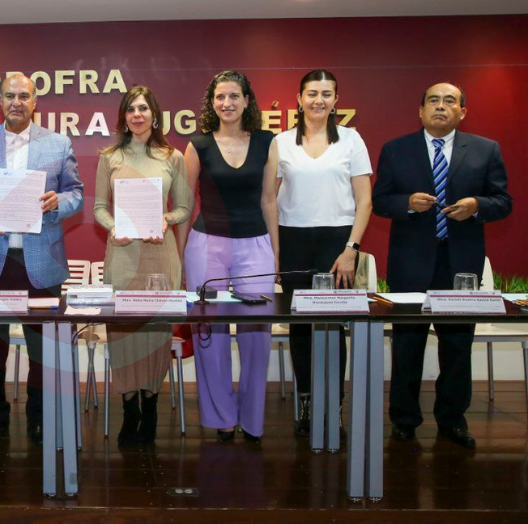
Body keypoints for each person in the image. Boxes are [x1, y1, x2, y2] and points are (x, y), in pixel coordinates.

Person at [372, 83, 511, 449]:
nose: (440, 106)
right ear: (420, 111)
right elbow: (380, 200)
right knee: (407, 345)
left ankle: (452, 420)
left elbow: (503, 201)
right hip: (410, 263)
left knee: (457, 345)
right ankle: (404, 420)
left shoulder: (485, 149)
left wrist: (477, 206)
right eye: (433, 100)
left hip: (460, 264)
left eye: (450, 101)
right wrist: (406, 203)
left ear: (462, 112)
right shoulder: (396, 149)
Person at [0, 74, 83, 446]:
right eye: (10, 96)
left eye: (24, 96)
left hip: (41, 261)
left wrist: (58, 202)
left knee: (42, 349)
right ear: (0, 101)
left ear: (35, 101)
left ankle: (38, 418)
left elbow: (77, 194)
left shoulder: (58, 143)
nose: (16, 102)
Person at [262, 70, 372, 438]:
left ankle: (334, 406)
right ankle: (307, 402)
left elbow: (364, 201)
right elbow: (269, 200)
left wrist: (351, 249)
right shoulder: (281, 142)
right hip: (293, 240)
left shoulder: (352, 140)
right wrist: (275, 250)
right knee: (301, 327)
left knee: (332, 326)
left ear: (336, 100)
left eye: (326, 94)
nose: (318, 100)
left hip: (337, 243)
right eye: (312, 93)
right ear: (299, 99)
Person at [176, 71, 275, 444]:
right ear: (212, 102)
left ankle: (252, 420)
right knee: (209, 334)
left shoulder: (267, 142)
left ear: (247, 101)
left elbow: (269, 201)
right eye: (220, 96)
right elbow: (185, 205)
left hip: (255, 245)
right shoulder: (198, 145)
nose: (227, 103)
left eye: (234, 96)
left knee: (257, 335)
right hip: (206, 245)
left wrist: (276, 254)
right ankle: (221, 418)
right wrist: (180, 255)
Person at [94, 85, 192, 447]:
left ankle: (150, 407)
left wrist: (166, 219)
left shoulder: (173, 157)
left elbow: (183, 208)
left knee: (154, 334)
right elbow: (98, 208)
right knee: (123, 335)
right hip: (122, 255)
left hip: (159, 255)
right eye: (131, 109)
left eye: (144, 108)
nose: (138, 114)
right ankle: (128, 409)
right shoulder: (110, 157)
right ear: (124, 116)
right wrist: (113, 227)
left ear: (154, 115)